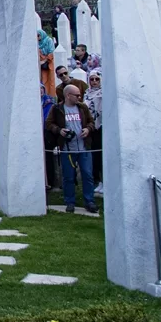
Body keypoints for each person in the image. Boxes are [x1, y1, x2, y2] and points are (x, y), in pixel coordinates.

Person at [46, 83, 97, 214]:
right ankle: (69, 202)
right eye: (77, 95)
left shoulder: (83, 107)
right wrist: (59, 130)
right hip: (67, 148)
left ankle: (89, 201)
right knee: (68, 177)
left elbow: (91, 122)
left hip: (84, 147)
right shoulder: (57, 109)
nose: (79, 97)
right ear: (68, 95)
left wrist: (87, 129)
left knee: (87, 174)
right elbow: (49, 123)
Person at [84, 69, 104, 194]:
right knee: (93, 156)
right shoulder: (87, 93)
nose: (94, 81)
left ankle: (104, 181)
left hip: (101, 126)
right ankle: (98, 181)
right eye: (92, 79)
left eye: (97, 79)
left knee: (100, 155)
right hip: (90, 127)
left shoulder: (103, 92)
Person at [40, 83, 57, 191]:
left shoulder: (49, 102)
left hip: (46, 133)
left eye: (41, 88)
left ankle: (50, 181)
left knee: (48, 158)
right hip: (36, 133)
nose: (40, 91)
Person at [38, 30, 57, 98]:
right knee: (44, 80)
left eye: (38, 35)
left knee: (51, 80)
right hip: (42, 64)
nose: (38, 37)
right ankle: (46, 95)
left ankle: (52, 96)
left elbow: (51, 51)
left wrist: (46, 60)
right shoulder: (38, 43)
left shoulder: (49, 40)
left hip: (49, 62)